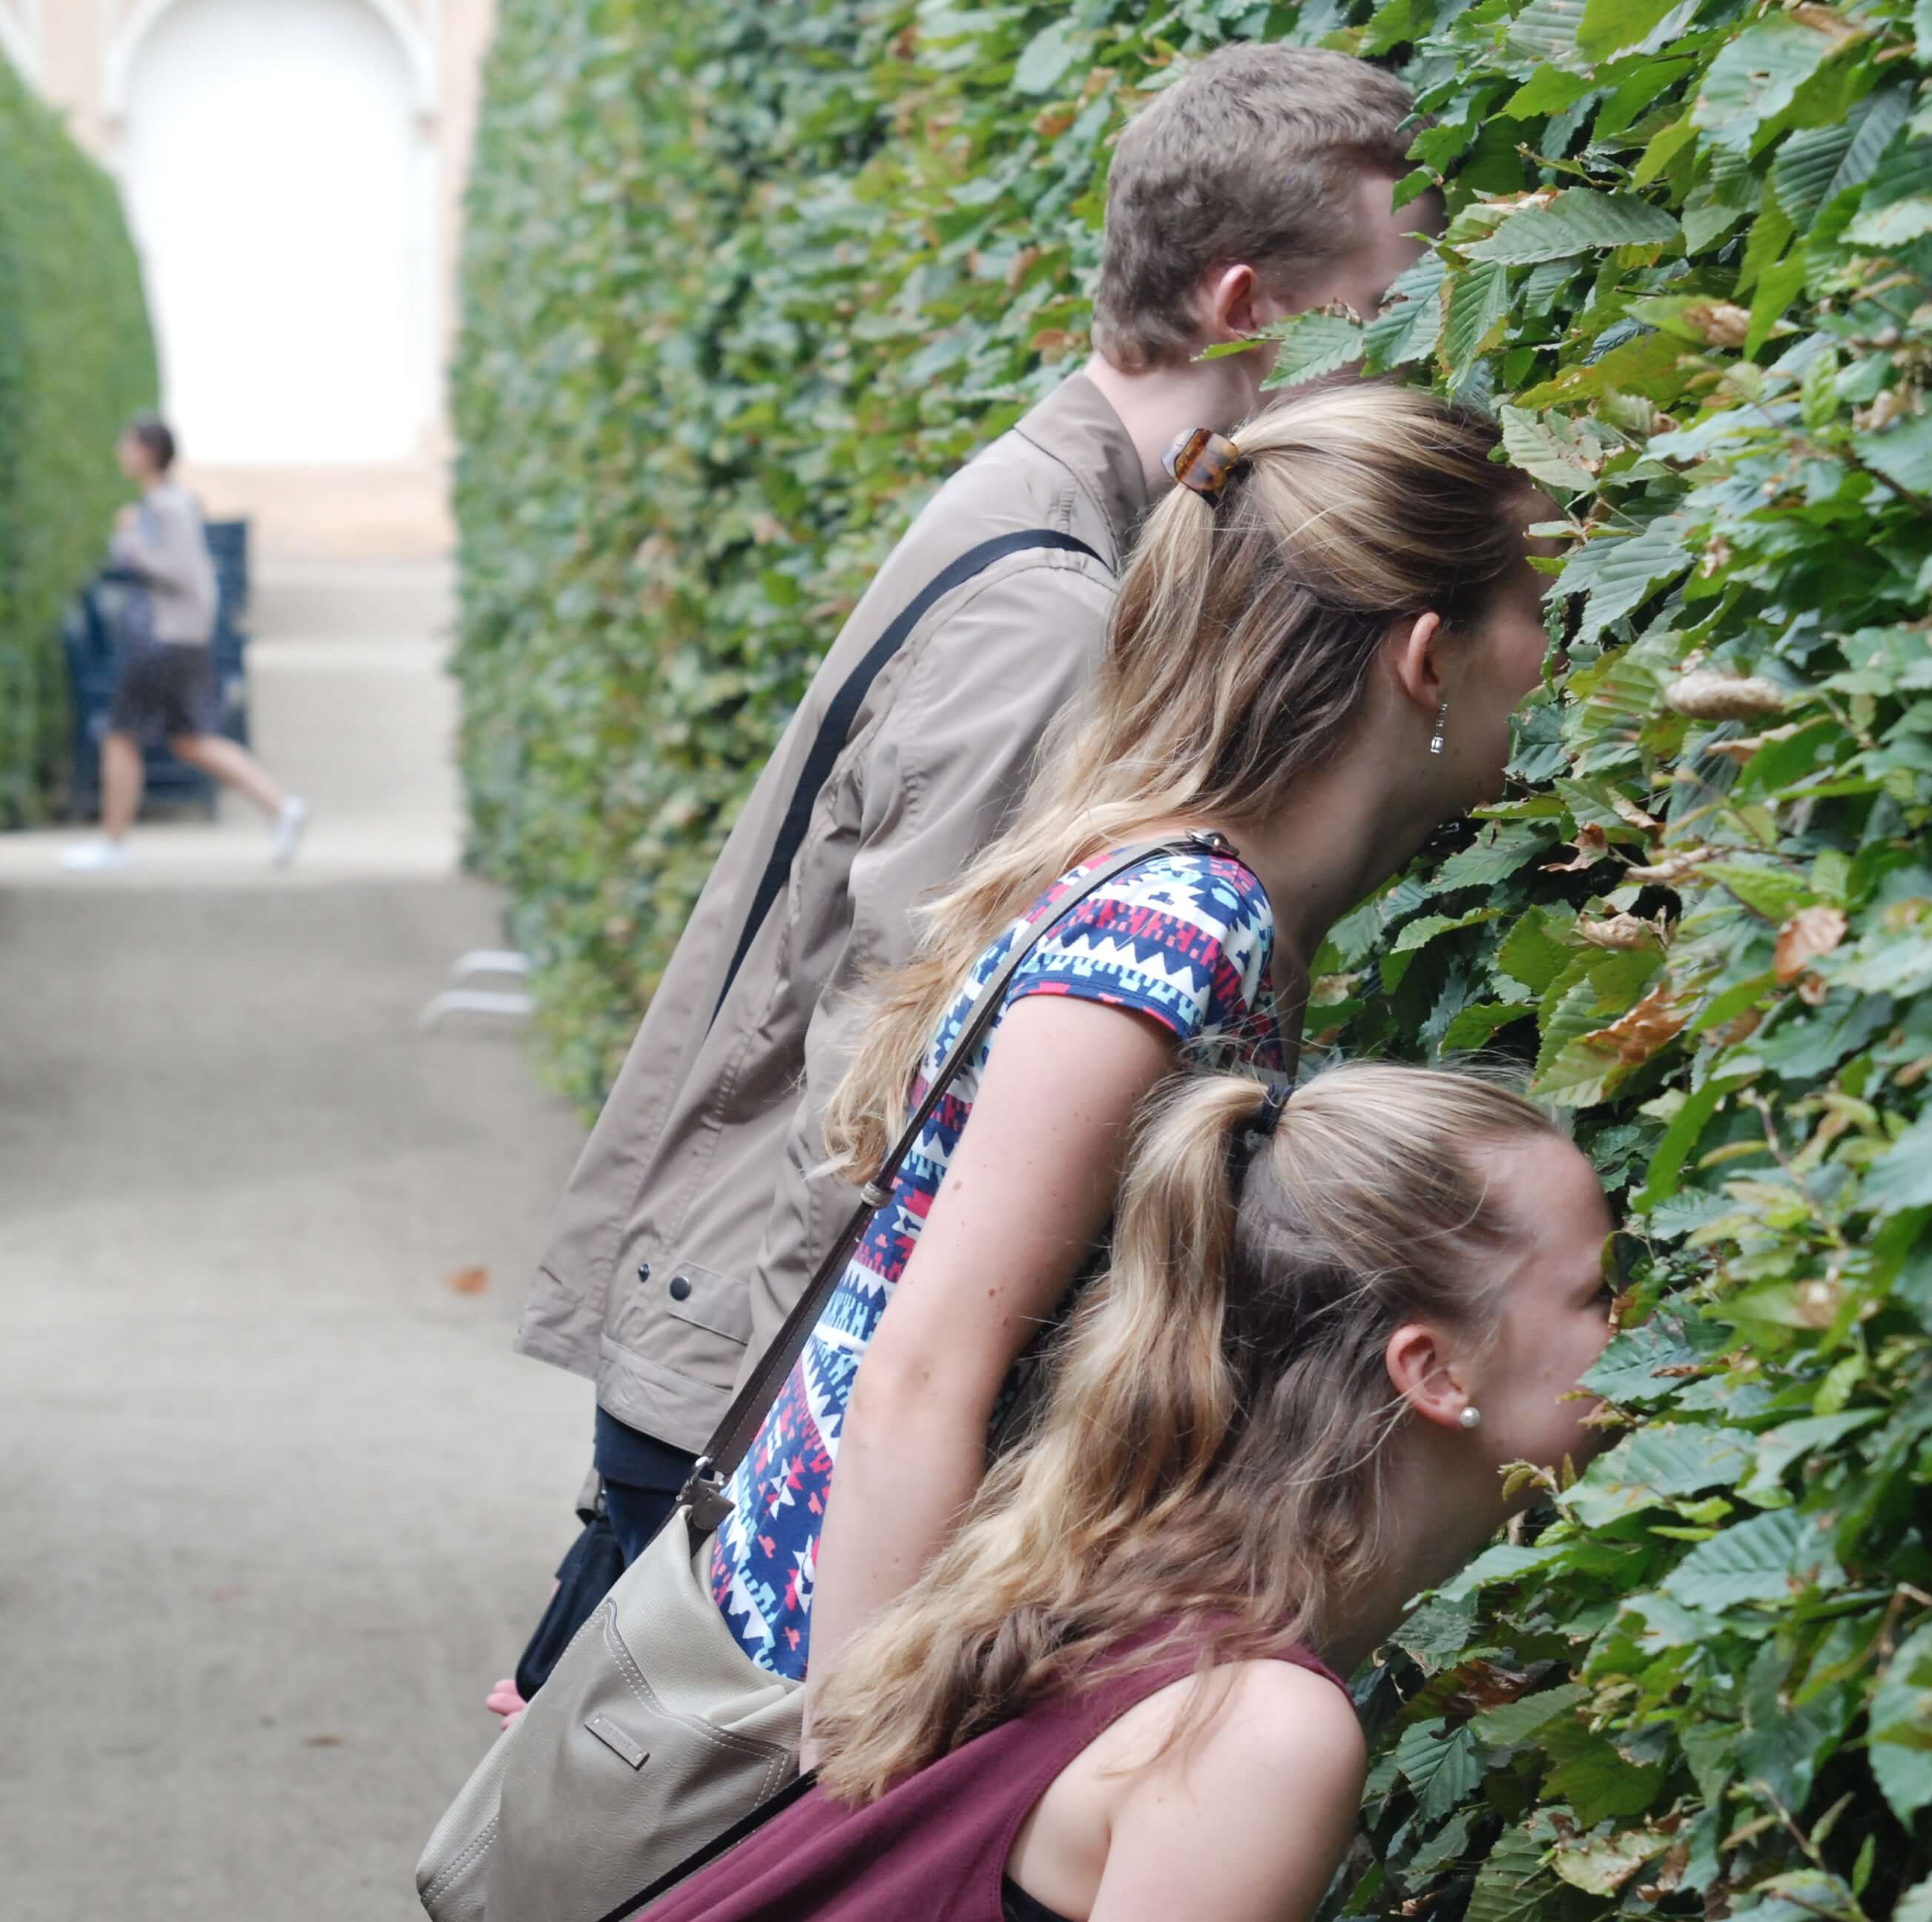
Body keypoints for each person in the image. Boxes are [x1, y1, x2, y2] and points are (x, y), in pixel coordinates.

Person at [498, 42, 1445, 1708]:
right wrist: (784, 1535)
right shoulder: (1060, 610)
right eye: (1387, 311)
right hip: (767, 1405)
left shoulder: (1050, 513)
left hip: (749, 1386)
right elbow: (887, 1096)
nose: (1412, 368)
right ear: (1247, 306)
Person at [693, 379, 1559, 1706]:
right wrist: (854, 1812)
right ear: (1428, 656)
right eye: (1538, 611)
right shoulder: (1174, 935)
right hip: (856, 1657)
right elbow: (923, 1376)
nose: (1556, 657)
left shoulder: (1204, 898)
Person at [639, 1062, 1620, 1922]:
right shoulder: (1254, 1737)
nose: (1645, 1329)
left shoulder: (1102, 1593)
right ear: (1436, 1373)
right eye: (1597, 1295)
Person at [60, 412, 310, 872]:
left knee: (121, 735)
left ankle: (113, 843)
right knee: (191, 740)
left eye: (128, 444)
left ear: (149, 453)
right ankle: (280, 808)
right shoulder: (170, 504)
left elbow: (181, 572)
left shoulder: (164, 509)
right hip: (180, 639)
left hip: (163, 640)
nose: (121, 453)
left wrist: (129, 540)